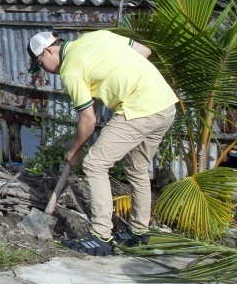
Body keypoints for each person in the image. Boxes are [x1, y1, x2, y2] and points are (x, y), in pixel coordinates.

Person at [26, 29, 177, 256]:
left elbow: (88, 120)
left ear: (48, 50)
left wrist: (75, 151)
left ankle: (101, 236)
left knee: (95, 163)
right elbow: (144, 52)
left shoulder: (70, 70)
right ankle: (138, 232)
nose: (46, 71)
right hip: (165, 104)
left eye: (41, 64)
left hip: (139, 108)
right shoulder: (96, 37)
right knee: (136, 168)